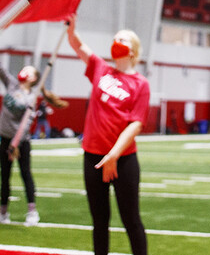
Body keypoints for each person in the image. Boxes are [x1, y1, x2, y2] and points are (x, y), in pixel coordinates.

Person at [67, 19, 151, 255]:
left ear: (133, 50)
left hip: (123, 160)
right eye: (115, 38)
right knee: (99, 221)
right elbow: (78, 45)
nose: (117, 42)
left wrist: (113, 155)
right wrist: (71, 29)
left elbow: (135, 124)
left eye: (122, 39)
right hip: (92, 156)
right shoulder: (100, 68)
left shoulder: (141, 84)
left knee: (131, 220)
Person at [0, 51, 46, 225]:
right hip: (4, 138)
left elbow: (27, 123)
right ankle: (3, 213)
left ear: (33, 79)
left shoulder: (31, 98)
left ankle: (32, 212)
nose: (24, 71)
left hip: (21, 142)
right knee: (5, 176)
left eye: (29, 70)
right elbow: (0, 69)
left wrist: (15, 143)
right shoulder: (11, 85)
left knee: (26, 174)